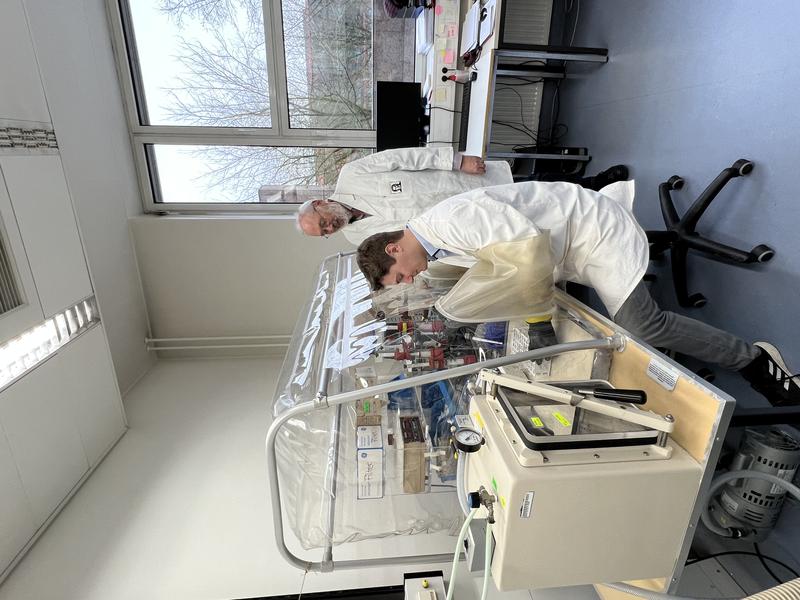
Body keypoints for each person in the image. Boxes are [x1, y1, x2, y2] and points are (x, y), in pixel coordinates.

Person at [356, 180, 799, 407]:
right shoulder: (438, 243)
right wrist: (530, 317)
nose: (409, 282)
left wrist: (535, 320)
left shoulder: (449, 222)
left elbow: (528, 258)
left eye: (399, 278)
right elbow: (506, 270)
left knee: (641, 328)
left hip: (592, 232)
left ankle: (755, 360)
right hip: (566, 243)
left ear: (394, 249)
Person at [295, 146, 628, 244]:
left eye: (323, 222)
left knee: (533, 182)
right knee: (532, 207)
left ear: (322, 203)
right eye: (324, 232)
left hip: (457, 181)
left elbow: (407, 158)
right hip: (463, 217)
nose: (329, 229)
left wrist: (457, 161)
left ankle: (595, 182)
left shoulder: (352, 175)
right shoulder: (357, 240)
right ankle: (594, 210)